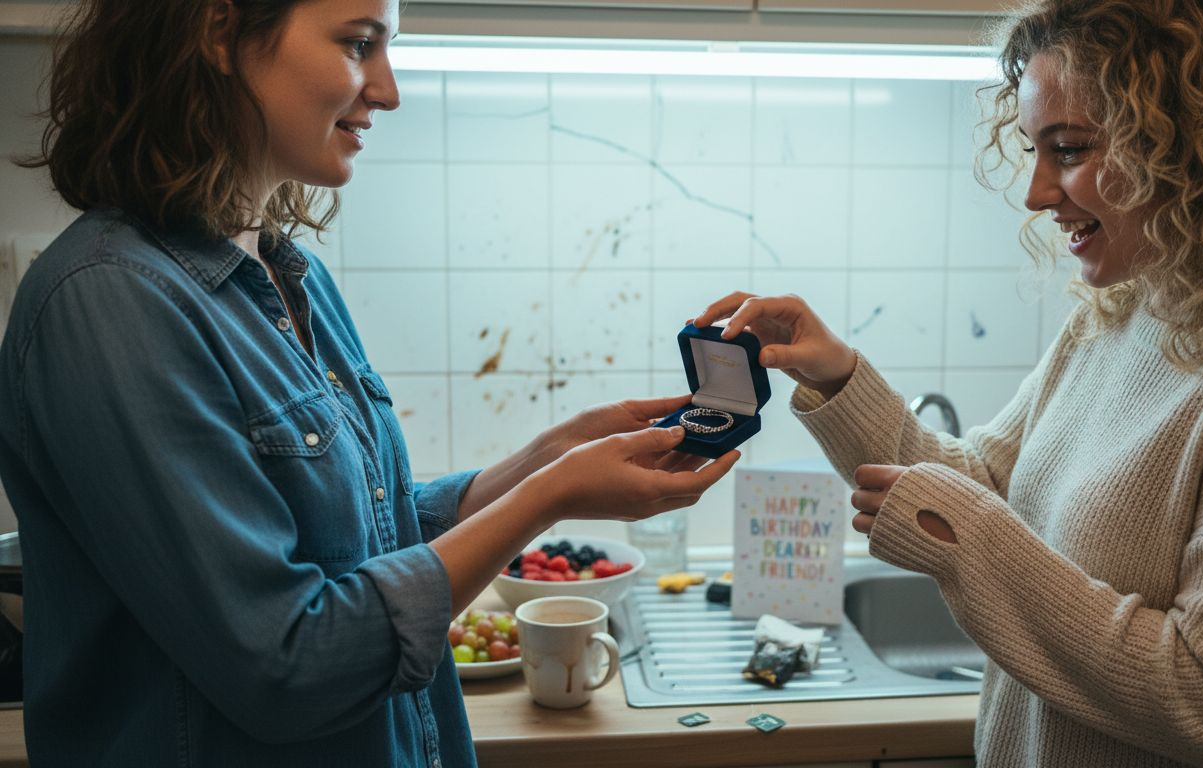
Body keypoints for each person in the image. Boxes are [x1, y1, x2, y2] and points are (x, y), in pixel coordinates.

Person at [0, 0, 737, 765]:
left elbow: (363, 543)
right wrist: (549, 497)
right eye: (358, 44)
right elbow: (289, 664)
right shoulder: (112, 302)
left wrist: (546, 460)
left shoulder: (293, 278)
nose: (386, 90)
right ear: (218, 31)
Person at [693, 0, 1203, 765]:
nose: (1037, 193)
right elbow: (985, 482)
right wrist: (837, 376)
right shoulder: (1127, 310)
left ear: (1194, 146)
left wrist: (969, 536)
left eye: (1067, 149)